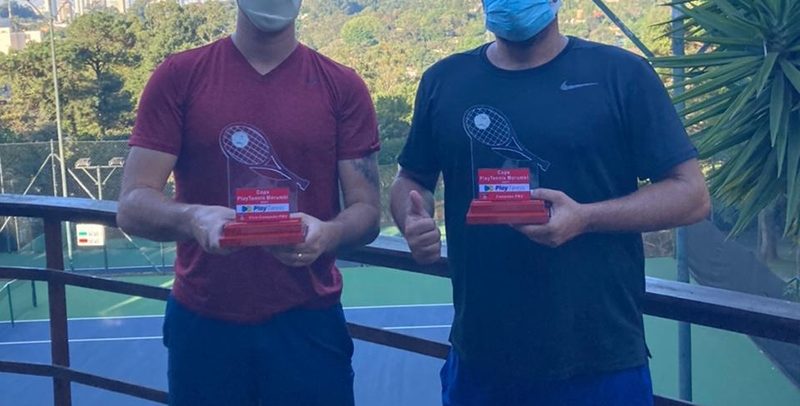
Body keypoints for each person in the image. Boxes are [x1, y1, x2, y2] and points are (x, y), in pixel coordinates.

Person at [390, 0, 710, 405]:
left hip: (600, 361)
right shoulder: (444, 80)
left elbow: (691, 195)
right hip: (480, 362)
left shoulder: (622, 74)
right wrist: (410, 220)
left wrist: (586, 218)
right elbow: (410, 178)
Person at [117, 1, 380, 405]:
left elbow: (367, 211)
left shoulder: (342, 85)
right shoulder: (178, 75)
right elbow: (132, 204)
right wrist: (193, 219)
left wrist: (328, 234)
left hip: (309, 322)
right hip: (204, 322)